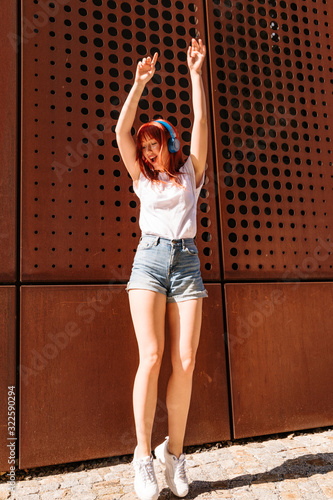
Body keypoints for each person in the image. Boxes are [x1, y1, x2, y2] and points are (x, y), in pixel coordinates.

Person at [115, 38, 208, 500]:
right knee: (150, 357)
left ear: (168, 143)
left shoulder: (192, 169)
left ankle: (175, 455)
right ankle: (142, 456)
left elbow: (200, 124)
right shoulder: (140, 179)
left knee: (186, 361)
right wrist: (137, 85)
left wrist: (195, 74)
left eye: (154, 144)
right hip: (149, 260)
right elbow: (120, 132)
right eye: (144, 146)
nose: (148, 152)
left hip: (187, 262)